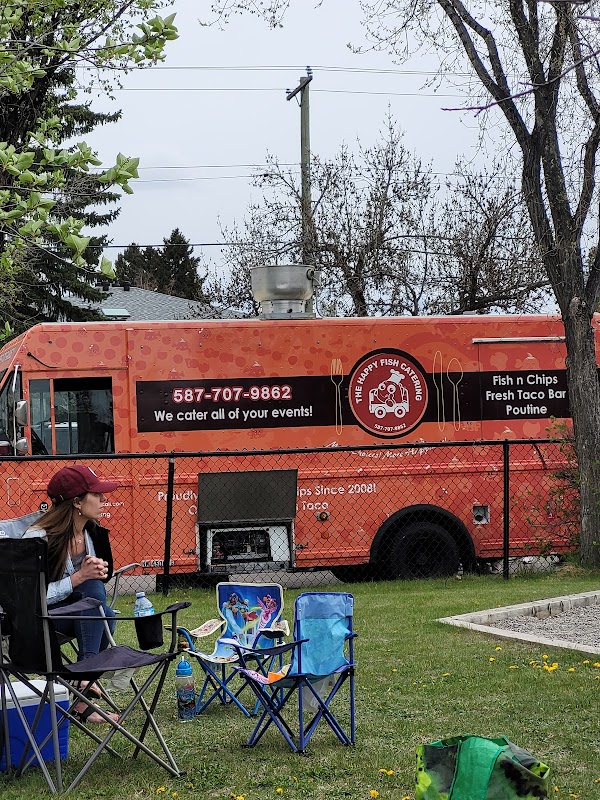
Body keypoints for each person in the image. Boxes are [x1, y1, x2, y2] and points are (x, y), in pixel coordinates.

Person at [24, 464, 121, 724]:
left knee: (101, 608)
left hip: (77, 612)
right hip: (39, 619)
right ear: (77, 502)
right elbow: (27, 597)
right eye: (96, 494)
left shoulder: (93, 532)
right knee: (98, 608)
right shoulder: (38, 539)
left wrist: (98, 571)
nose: (103, 499)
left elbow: (97, 581)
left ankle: (82, 688)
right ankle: (84, 683)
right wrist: (77, 578)